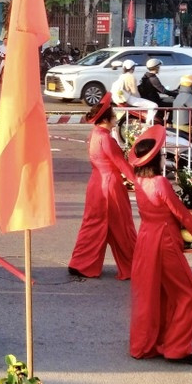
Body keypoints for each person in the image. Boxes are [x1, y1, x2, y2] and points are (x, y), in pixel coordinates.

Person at [127, 126, 192, 366]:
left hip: (147, 240)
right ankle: (178, 348)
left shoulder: (139, 181)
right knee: (189, 294)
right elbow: (180, 213)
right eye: (163, 154)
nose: (165, 156)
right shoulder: (160, 182)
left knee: (158, 294)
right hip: (165, 241)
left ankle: (157, 340)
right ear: (156, 159)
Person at [68, 93, 137, 280]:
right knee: (122, 228)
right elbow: (121, 164)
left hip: (96, 184)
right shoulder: (106, 138)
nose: (116, 118)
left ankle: (80, 263)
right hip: (110, 186)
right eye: (114, 115)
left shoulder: (95, 134)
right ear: (107, 118)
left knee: (93, 225)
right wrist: (139, 183)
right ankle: (134, 265)